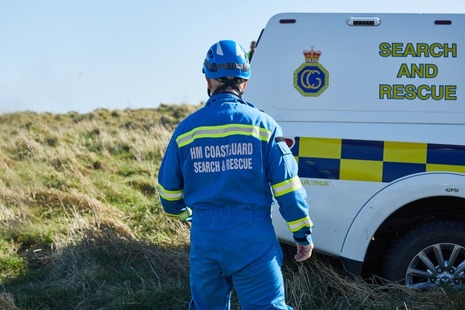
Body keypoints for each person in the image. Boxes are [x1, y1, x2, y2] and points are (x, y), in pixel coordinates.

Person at [157, 40, 314, 310]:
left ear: (208, 79)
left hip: (205, 239)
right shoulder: (264, 126)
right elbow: (289, 189)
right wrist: (302, 234)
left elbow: (168, 194)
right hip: (253, 239)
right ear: (245, 82)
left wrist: (190, 217)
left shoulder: (185, 131)